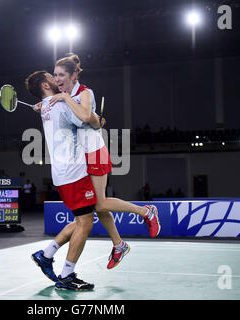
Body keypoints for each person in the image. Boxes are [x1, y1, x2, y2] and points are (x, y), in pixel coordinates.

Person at [49, 54, 161, 268]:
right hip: (80, 158)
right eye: (55, 75)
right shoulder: (62, 94)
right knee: (97, 207)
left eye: (61, 75)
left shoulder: (84, 92)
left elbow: (83, 116)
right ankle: (119, 245)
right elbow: (82, 117)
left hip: (95, 153)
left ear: (73, 75)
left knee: (99, 204)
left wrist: (70, 103)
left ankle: (146, 212)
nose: (57, 79)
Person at [26, 70, 98, 291]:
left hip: (63, 173)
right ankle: (67, 275)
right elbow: (88, 121)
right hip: (73, 172)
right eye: (51, 77)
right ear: (45, 85)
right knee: (85, 223)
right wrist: (97, 118)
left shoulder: (46, 107)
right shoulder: (59, 105)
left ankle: (46, 255)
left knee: (82, 220)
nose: (56, 80)